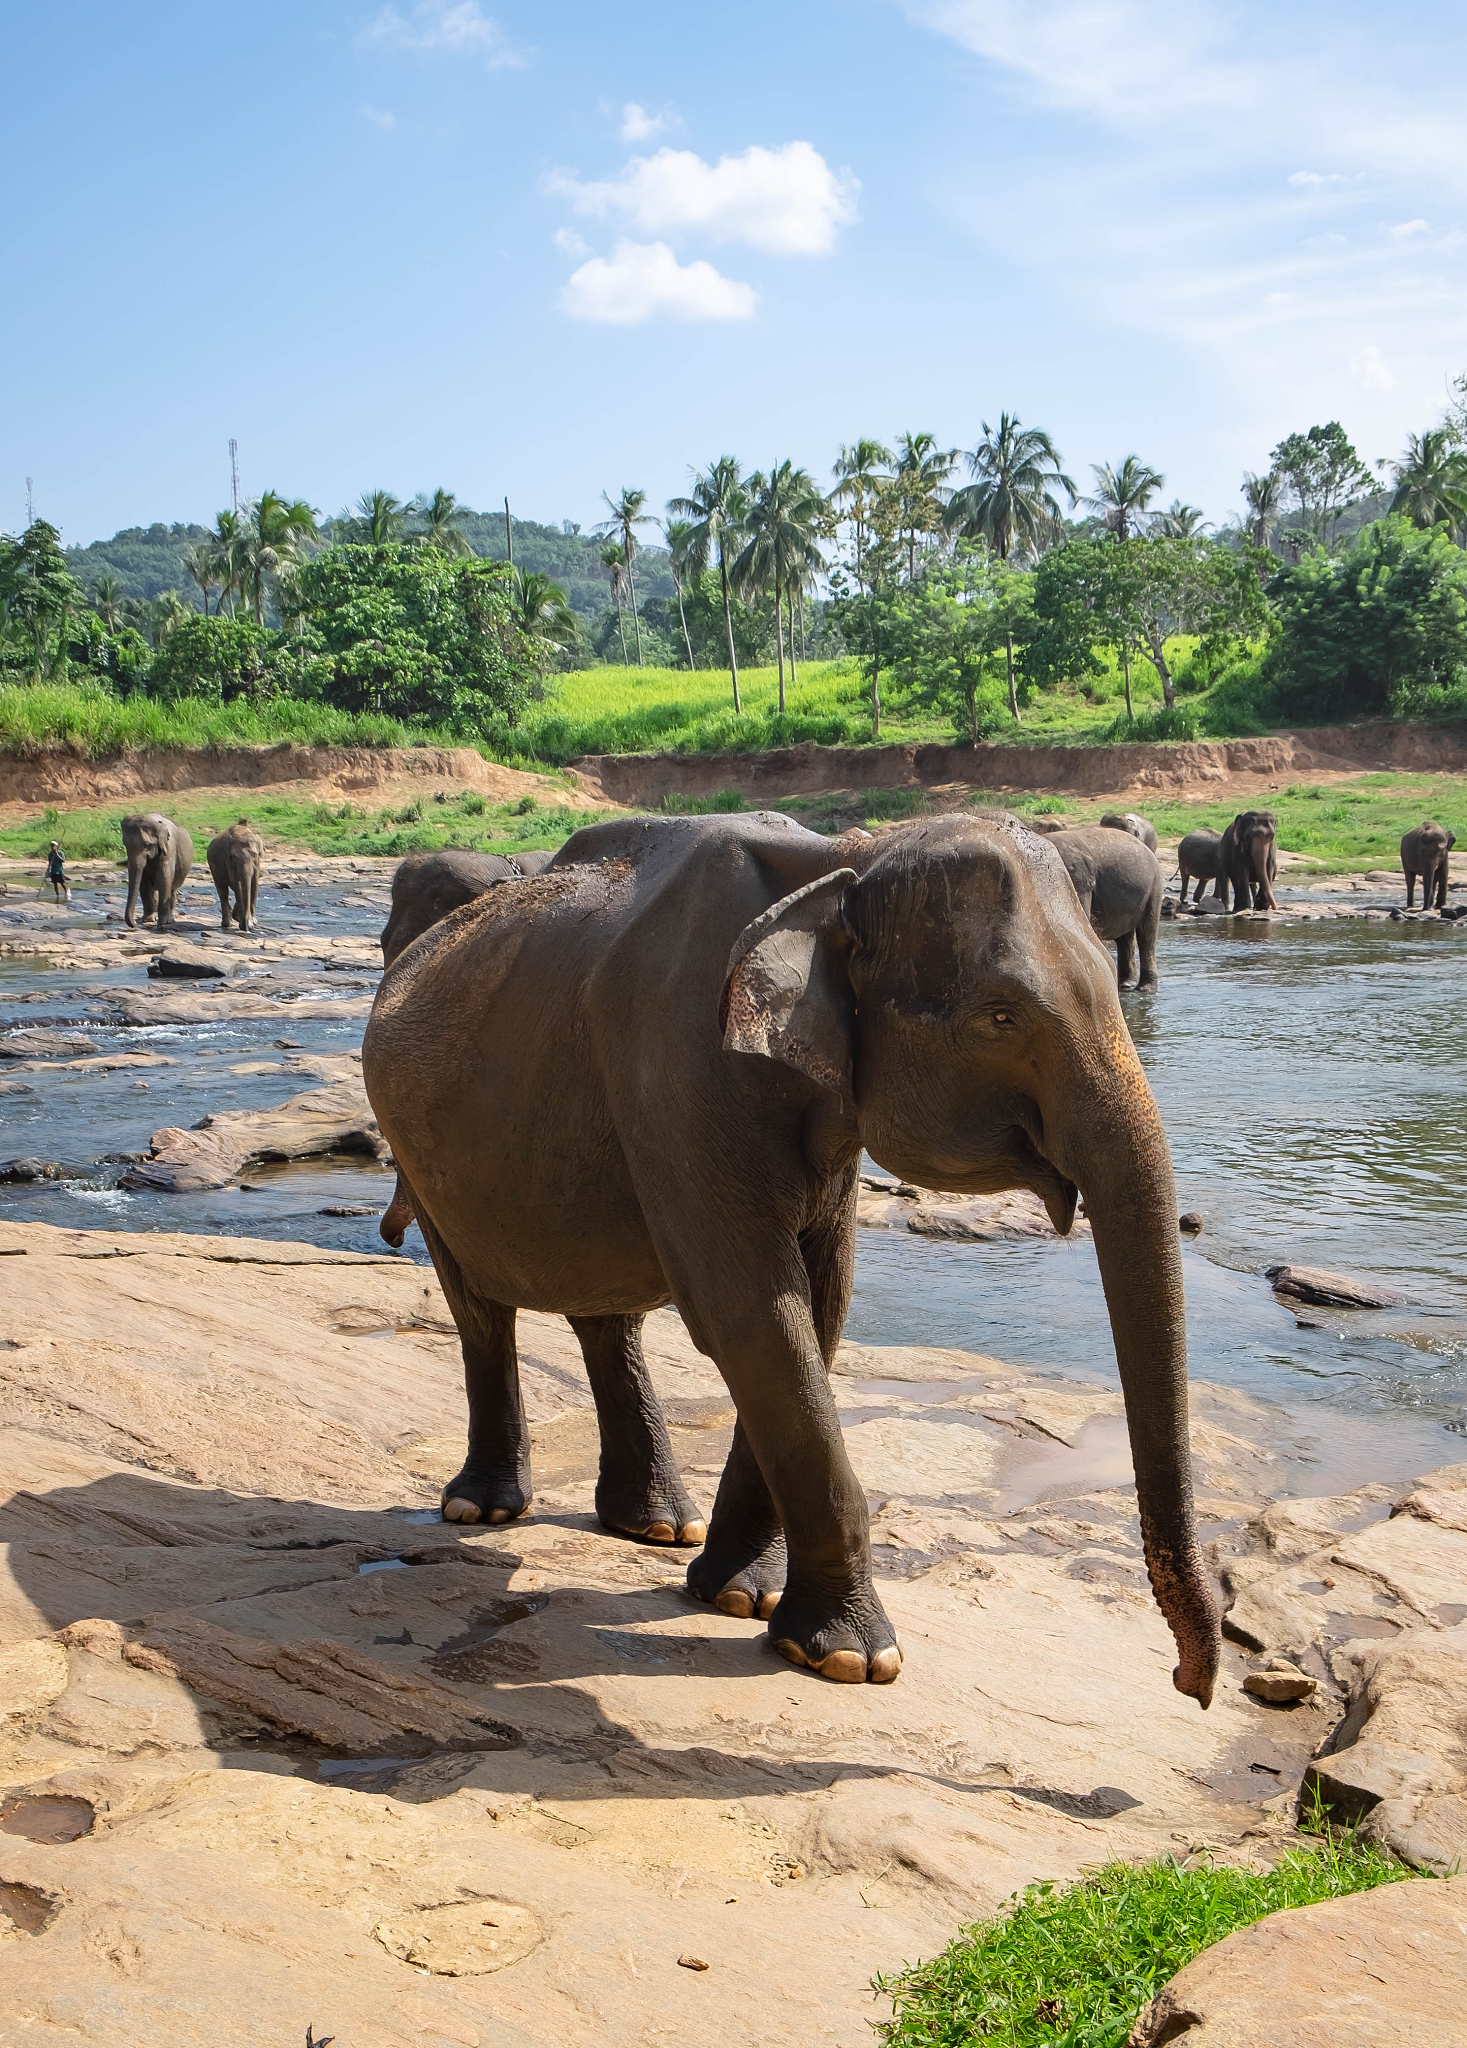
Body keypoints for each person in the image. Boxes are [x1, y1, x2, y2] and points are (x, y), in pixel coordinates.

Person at [45, 840, 70, 904]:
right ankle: (57, 895)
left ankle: (66, 892)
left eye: (54, 845)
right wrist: (48, 869)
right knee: (55, 883)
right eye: (51, 845)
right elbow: (50, 862)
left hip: (59, 870)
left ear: (56, 846)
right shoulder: (50, 854)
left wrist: (57, 854)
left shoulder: (60, 852)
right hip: (53, 871)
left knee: (62, 883)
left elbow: (63, 861)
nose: (52, 847)